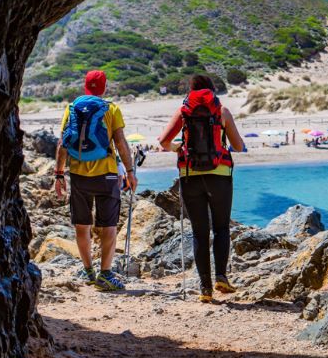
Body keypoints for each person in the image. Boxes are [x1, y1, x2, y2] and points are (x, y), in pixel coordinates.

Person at [158, 74, 244, 303]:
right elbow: (237, 145)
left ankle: (205, 288)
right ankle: (221, 277)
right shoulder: (222, 111)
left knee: (199, 232)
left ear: (191, 90)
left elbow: (164, 141)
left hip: (190, 176)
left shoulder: (184, 110)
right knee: (222, 228)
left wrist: (179, 149)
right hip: (220, 176)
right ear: (212, 90)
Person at [54, 70, 137, 291]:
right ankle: (106, 275)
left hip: (79, 174)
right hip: (107, 175)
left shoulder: (72, 108)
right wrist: (130, 171)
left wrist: (59, 174)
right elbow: (120, 142)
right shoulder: (111, 108)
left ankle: (88, 270)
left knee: (82, 225)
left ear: (85, 86)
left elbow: (63, 143)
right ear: (104, 87)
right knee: (108, 225)